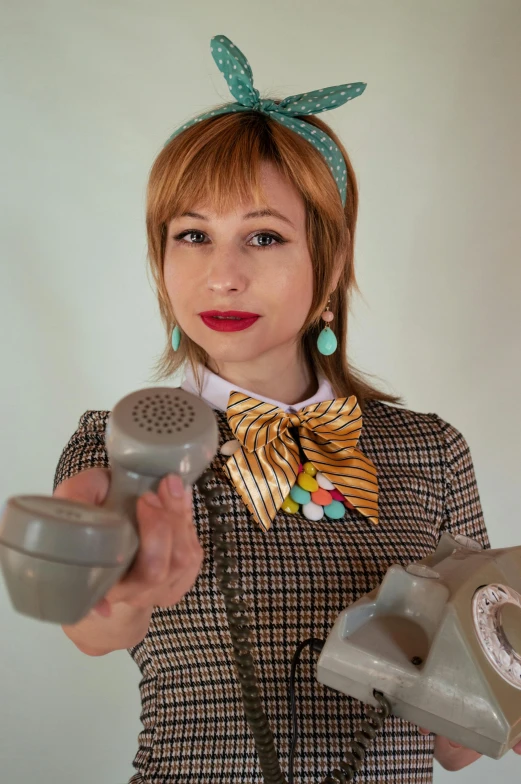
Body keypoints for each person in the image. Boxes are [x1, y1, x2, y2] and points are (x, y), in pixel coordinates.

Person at [51, 33, 518, 784]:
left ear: (327, 263)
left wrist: (504, 684)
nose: (222, 276)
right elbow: (93, 630)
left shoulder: (432, 450)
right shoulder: (114, 446)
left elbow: (456, 743)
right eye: (192, 235)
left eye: (263, 237)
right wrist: (118, 593)